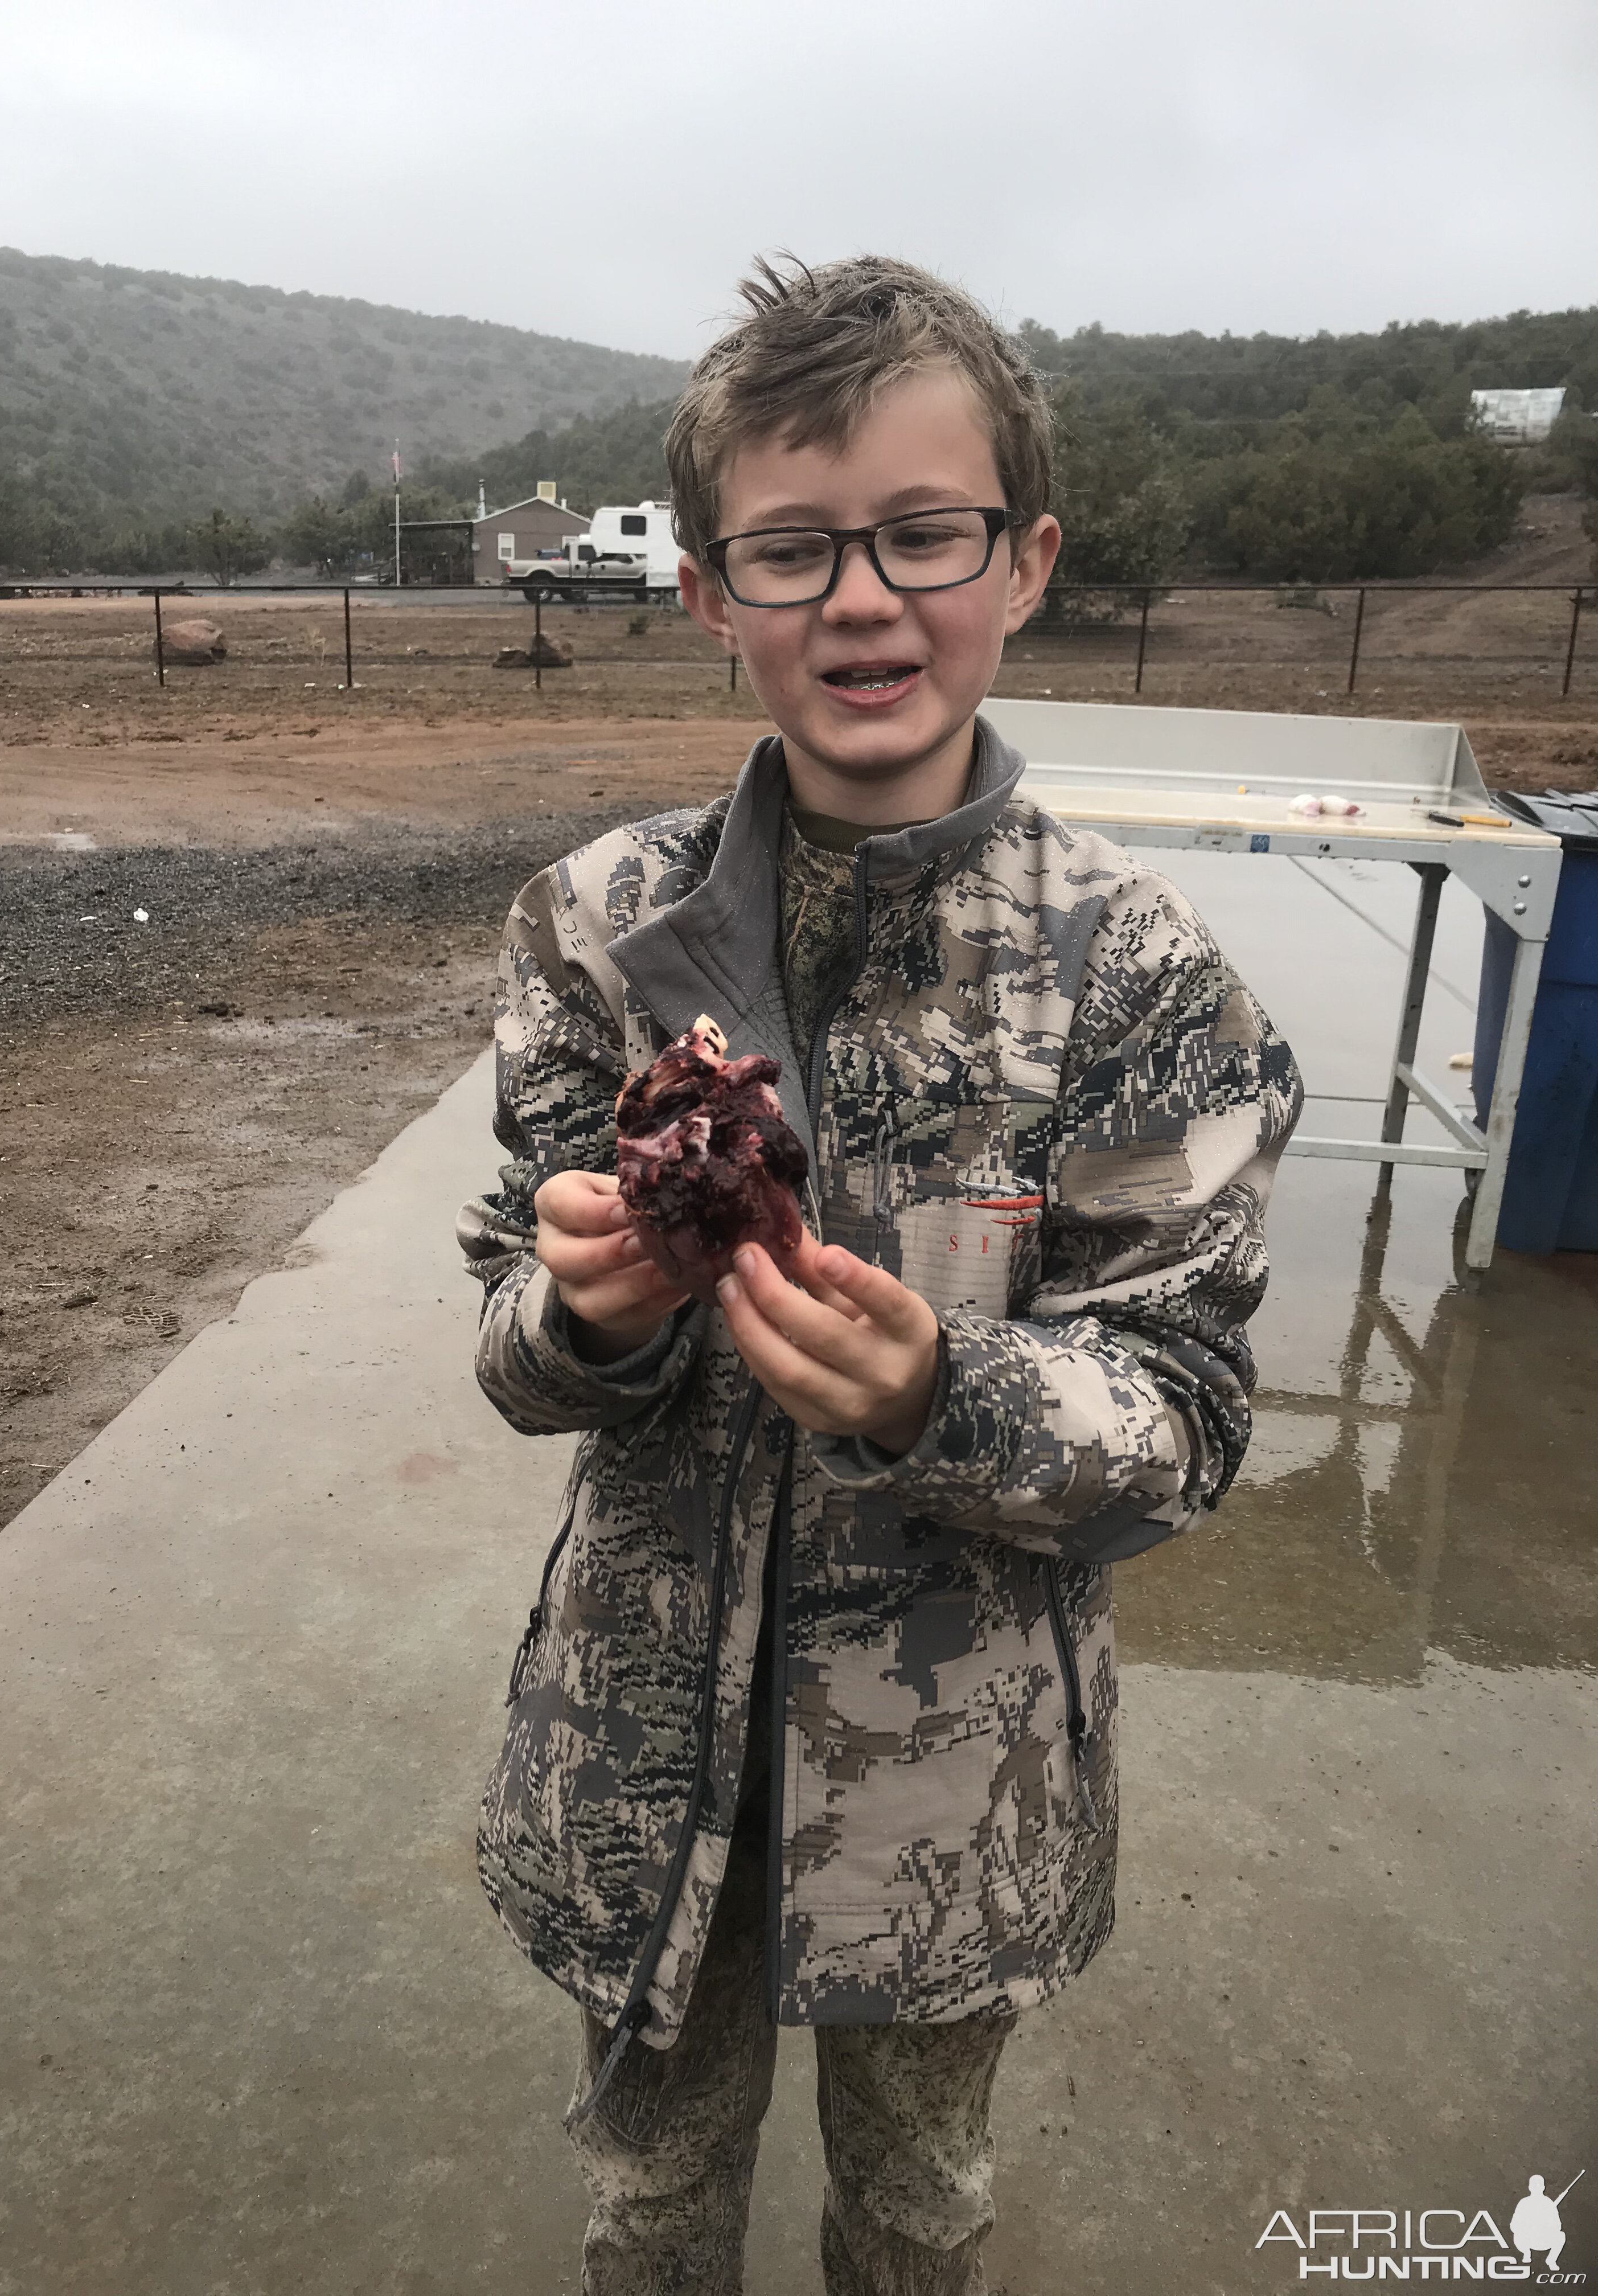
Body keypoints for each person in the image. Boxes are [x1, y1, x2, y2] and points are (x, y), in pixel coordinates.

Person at [459, 254, 1302, 2296]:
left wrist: (951, 1395)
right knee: (649, 2204)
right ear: (708, 592)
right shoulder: (595, 928)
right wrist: (584, 1308)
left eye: (926, 534)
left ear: (1023, 564)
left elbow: (1183, 1422)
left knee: (918, 2215)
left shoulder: (1147, 979)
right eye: (795, 548)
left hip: (956, 1773)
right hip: (643, 1744)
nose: (862, 599)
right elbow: (504, 1331)